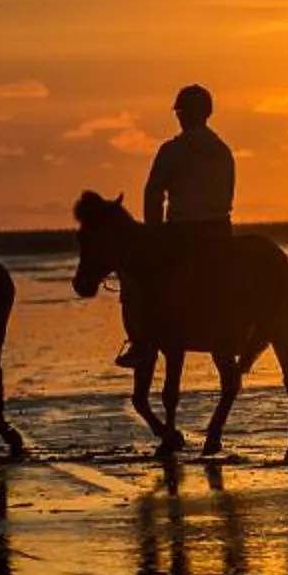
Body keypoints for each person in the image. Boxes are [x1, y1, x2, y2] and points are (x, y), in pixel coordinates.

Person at [115, 85, 238, 370]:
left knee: (134, 281)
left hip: (182, 234)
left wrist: (154, 233)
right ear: (207, 113)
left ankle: (141, 343)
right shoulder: (223, 151)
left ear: (183, 114)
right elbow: (228, 193)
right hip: (221, 232)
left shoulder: (171, 151)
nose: (179, 117)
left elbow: (153, 195)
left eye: (180, 112)